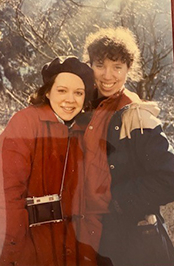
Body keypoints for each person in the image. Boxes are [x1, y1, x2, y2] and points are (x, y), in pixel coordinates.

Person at [0, 56, 97, 266]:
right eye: (62, 90)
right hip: (30, 245)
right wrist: (12, 255)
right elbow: (6, 194)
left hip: (72, 248)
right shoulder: (25, 123)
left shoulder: (84, 131)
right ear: (47, 91)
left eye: (78, 93)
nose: (70, 100)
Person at [82, 27, 174, 266]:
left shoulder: (136, 115)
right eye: (100, 65)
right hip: (93, 236)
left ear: (128, 70)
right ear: (89, 65)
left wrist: (119, 201)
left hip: (132, 242)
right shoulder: (84, 109)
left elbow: (169, 176)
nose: (107, 75)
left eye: (117, 67)